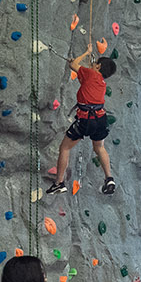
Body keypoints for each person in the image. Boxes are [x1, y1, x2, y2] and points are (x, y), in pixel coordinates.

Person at [47, 43, 117, 195]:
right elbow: (85, 81)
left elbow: (73, 65)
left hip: (86, 119)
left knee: (65, 148)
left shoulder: (91, 74)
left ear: (98, 66)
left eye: (94, 63)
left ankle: (59, 183)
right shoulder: (101, 83)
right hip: (101, 118)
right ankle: (109, 178)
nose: (92, 65)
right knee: (99, 147)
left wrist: (87, 52)